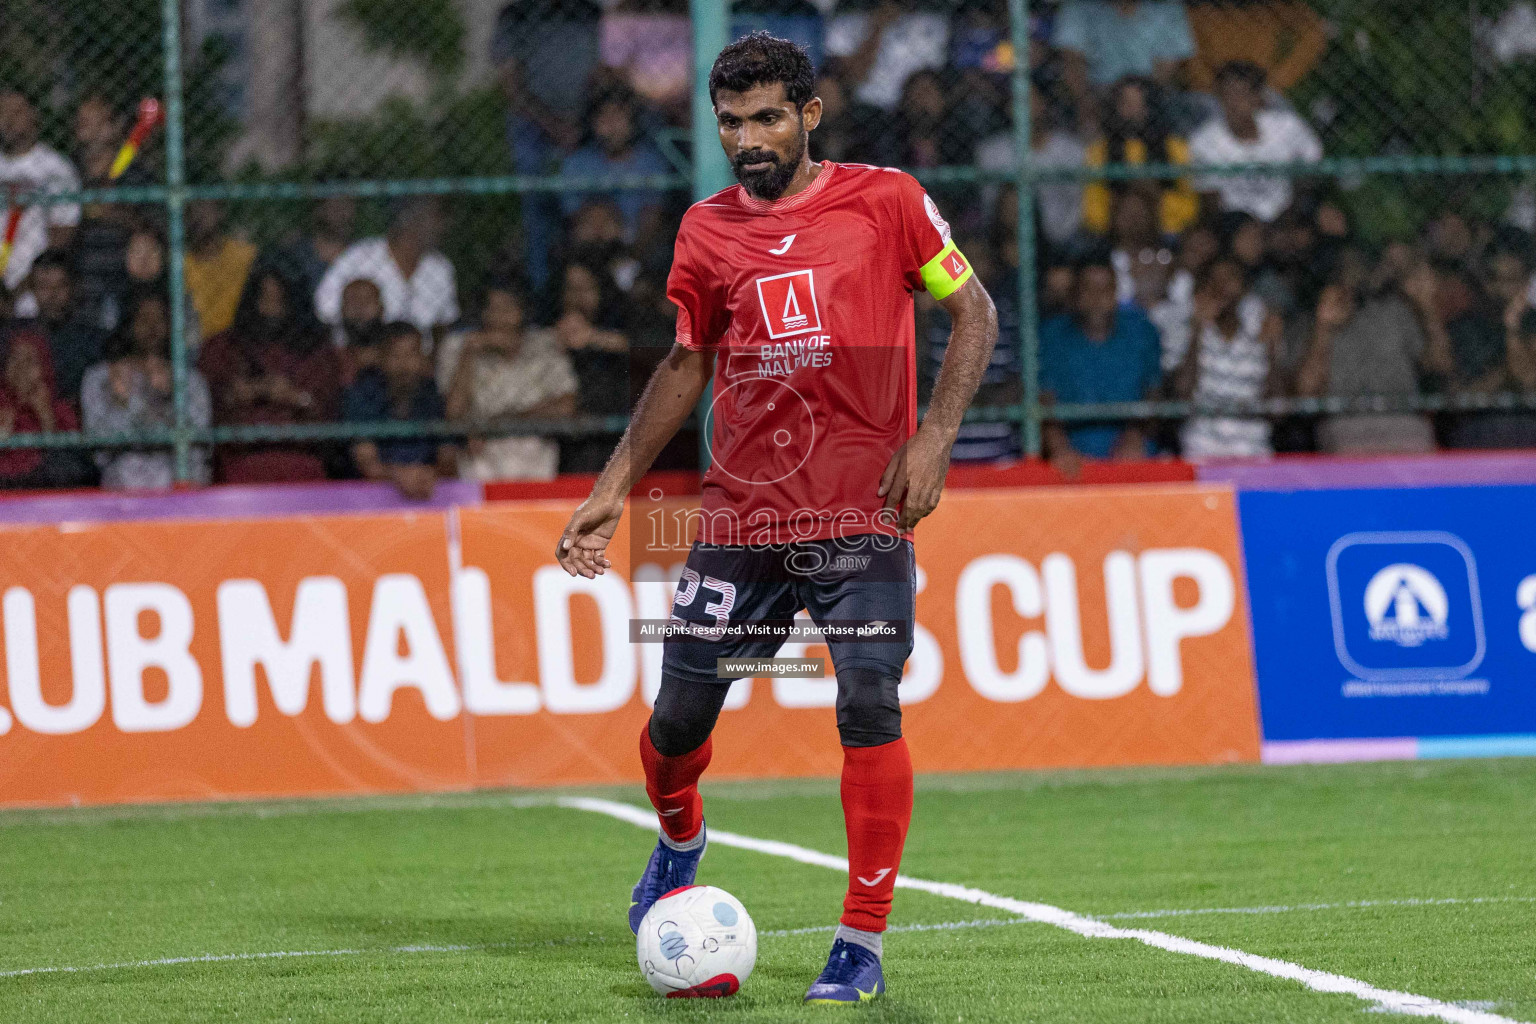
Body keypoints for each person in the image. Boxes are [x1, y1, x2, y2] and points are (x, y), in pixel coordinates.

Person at [554, 33, 997, 1005]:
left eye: (764, 119)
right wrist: (614, 486)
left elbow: (976, 315)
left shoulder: (887, 201)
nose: (746, 139)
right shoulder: (705, 232)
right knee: (675, 728)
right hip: (741, 522)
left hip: (861, 514)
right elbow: (685, 365)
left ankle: (859, 943)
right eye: (730, 124)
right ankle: (680, 839)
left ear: (810, 114)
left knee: (869, 698)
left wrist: (933, 439)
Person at [1292, 255, 1454, 454]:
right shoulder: (1312, 322)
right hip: (1347, 423)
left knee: (1419, 436)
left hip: (1402, 419)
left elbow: (1441, 364)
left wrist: (1428, 307)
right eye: (1345, 272)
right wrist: (1324, 329)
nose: (1353, 278)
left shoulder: (1397, 312)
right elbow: (1306, 392)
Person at [198, 264, 341, 483]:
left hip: (301, 457)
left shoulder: (318, 349)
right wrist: (239, 394)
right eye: (264, 298)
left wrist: (295, 397)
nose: (271, 308)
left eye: (279, 299)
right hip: (239, 458)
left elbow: (327, 412)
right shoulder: (224, 346)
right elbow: (207, 407)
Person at [438, 277, 576, 481]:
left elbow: (566, 406)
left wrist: (507, 422)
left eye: (507, 310)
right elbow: (453, 412)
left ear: (523, 313)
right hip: (480, 450)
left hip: (534, 444)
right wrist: (468, 355)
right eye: (492, 309)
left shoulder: (545, 345)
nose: (498, 318)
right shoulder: (457, 345)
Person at [1040, 256, 1162, 476]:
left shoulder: (1142, 331)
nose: (1097, 298)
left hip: (1134, 460)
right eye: (1089, 289)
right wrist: (1060, 449)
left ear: (1116, 292)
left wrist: (1135, 437)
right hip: (1069, 464)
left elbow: (1154, 392)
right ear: (1075, 294)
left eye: (1105, 289)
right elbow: (1043, 398)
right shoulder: (1052, 336)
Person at [81, 288, 213, 489]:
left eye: (159, 319)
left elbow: (200, 448)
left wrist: (168, 399)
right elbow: (100, 453)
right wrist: (122, 403)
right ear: (129, 324)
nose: (152, 327)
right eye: (143, 318)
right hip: (125, 495)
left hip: (181, 492)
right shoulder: (100, 377)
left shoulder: (191, 380)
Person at [1172, 256, 1283, 459]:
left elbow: (1278, 410)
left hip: (1253, 451)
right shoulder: (1189, 332)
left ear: (1244, 288)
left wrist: (1272, 348)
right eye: (1215, 281)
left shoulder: (1261, 333)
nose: (1222, 287)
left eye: (1230, 279)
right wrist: (1197, 331)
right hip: (1201, 451)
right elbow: (1181, 393)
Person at [315, 198, 460, 351]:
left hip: (419, 362)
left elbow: (444, 323)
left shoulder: (441, 268)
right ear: (412, 219)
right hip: (359, 355)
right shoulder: (360, 256)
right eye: (437, 218)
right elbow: (324, 308)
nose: (443, 227)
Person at [1189, 61, 1322, 223]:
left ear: (1257, 97)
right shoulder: (1204, 140)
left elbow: (1311, 170)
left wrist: (1292, 215)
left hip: (1288, 213)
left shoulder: (1287, 126)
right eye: (1227, 95)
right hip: (1235, 221)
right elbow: (1210, 199)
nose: (1234, 103)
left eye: (1242, 94)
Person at [342, 322, 455, 500]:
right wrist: (399, 476)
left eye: (411, 354)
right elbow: (366, 461)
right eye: (395, 356)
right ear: (381, 359)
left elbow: (448, 456)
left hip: (429, 488)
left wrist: (430, 473)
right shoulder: (362, 394)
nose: (404, 365)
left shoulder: (432, 395)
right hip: (371, 495)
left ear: (423, 358)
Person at [558, 86, 673, 251]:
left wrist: (634, 252)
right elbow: (574, 216)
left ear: (633, 120)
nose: (612, 126)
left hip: (637, 243)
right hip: (591, 245)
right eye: (604, 118)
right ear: (593, 123)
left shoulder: (651, 161)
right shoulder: (577, 162)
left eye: (619, 116)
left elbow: (654, 214)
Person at [1053, 0, 1194, 131]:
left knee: (1200, 107)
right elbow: (1072, 63)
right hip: (1098, 94)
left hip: (1150, 94)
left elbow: (1165, 69)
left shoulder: (1168, 7)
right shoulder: (1078, 6)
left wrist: (1138, 100)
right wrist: (1086, 102)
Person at [1083, 77, 1198, 237]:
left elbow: (1189, 204)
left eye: (1139, 103)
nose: (1132, 110)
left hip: (1168, 231)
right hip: (1113, 233)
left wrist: (1153, 200)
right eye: (1125, 103)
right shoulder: (1100, 150)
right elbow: (1093, 207)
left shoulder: (1174, 147)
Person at [0, 90, 81, 293]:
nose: (9, 119)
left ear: (33, 115)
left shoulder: (56, 169)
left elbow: (61, 237)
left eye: (17, 112)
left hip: (35, 295)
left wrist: (17, 292)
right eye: (3, 112)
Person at [0, 331, 90, 489]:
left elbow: (73, 461)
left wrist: (46, 417)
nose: (21, 368)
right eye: (15, 359)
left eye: (30, 361)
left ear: (44, 366)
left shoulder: (60, 409)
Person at [17, 249, 105, 406]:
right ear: (33, 290)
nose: (52, 294)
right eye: (44, 286)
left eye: (60, 285)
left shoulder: (93, 338)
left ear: (73, 288)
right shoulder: (17, 335)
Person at [182, 200, 257, 338]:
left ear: (220, 212)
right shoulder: (181, 265)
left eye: (206, 207)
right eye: (193, 209)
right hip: (199, 345)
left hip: (239, 341)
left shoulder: (245, 255)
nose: (199, 215)